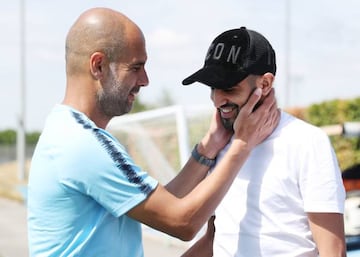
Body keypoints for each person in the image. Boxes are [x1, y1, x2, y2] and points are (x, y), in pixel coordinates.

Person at [26, 8, 280, 257]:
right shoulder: (82, 145)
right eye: (136, 67)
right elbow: (182, 222)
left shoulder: (69, 132)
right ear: (99, 65)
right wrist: (243, 143)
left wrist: (208, 148)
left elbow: (165, 205)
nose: (145, 79)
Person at [180, 27, 346, 256]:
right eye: (212, 87)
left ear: (265, 84)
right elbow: (216, 238)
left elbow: (333, 251)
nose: (218, 100)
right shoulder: (220, 145)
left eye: (229, 87)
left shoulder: (307, 142)